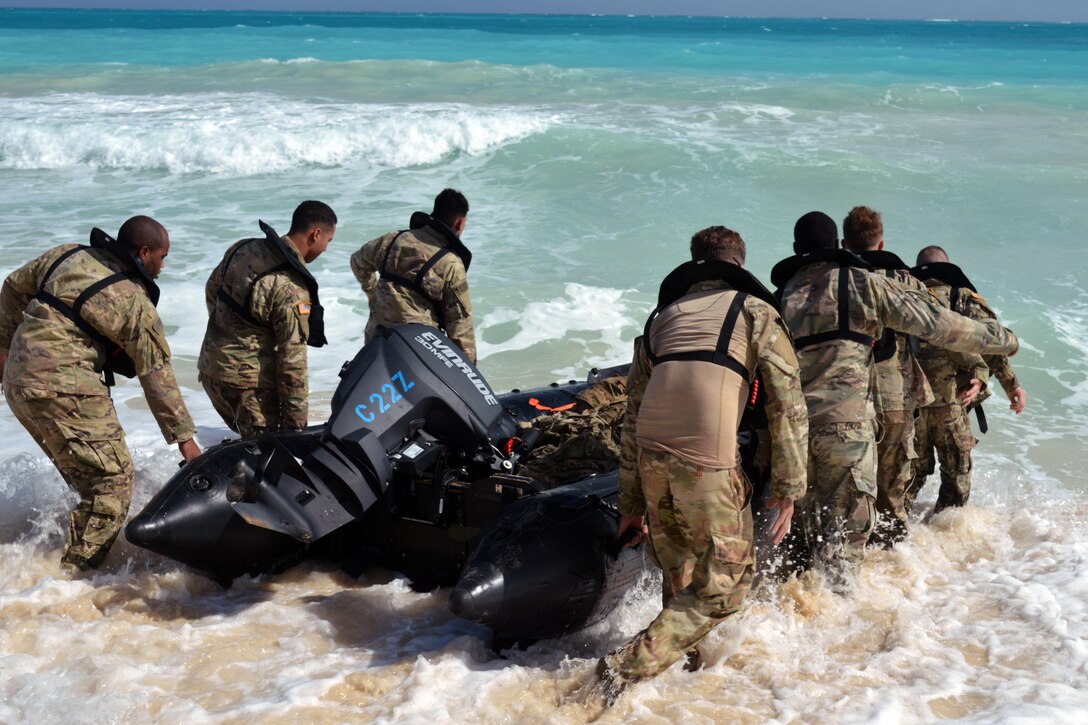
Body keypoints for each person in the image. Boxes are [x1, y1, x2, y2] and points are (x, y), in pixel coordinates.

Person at [596, 226, 808, 702]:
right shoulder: (756, 312)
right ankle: (620, 671)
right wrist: (790, 488)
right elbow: (788, 403)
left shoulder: (662, 318)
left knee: (682, 575)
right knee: (729, 585)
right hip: (705, 459)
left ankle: (683, 688)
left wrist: (629, 503)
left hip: (652, 455)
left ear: (695, 264)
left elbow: (631, 417)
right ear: (738, 264)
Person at [772, 212, 1018, 585]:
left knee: (797, 551)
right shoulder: (861, 283)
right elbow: (938, 325)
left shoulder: (778, 297)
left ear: (795, 250)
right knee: (846, 552)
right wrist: (1003, 340)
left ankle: (787, 628)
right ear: (838, 245)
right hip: (846, 430)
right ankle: (841, 624)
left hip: (791, 435)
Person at [0, 217, 201, 572]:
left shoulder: (65, 256)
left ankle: (41, 563)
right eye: (162, 256)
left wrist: (4, 350)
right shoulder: (135, 303)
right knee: (112, 484)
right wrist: (186, 442)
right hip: (66, 388)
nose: (163, 265)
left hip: (18, 382)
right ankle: (73, 579)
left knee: (89, 481)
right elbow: (156, 376)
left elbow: (12, 289)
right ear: (143, 253)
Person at [198, 201, 336, 437]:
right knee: (269, 458)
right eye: (328, 241)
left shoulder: (243, 248)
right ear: (316, 234)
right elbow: (292, 363)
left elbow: (212, 292)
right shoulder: (292, 288)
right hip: (247, 387)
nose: (325, 249)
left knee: (248, 449)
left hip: (211, 373)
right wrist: (295, 429)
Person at [907, 245, 1027, 513]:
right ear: (947, 269)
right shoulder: (960, 299)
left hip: (909, 407)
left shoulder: (904, 299)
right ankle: (944, 537)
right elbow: (989, 340)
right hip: (952, 402)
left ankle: (899, 538)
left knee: (908, 478)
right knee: (956, 477)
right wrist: (1011, 384)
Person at [840, 206, 934, 546]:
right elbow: (935, 328)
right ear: (881, 244)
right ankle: (895, 570)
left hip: (848, 400)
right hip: (897, 398)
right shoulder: (905, 281)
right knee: (892, 496)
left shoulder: (838, 281)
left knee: (850, 494)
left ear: (843, 243)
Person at [350, 189, 476, 363]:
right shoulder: (451, 263)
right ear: (459, 223)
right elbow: (460, 328)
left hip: (376, 340)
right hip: (417, 350)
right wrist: (470, 376)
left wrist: (371, 291)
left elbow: (357, 262)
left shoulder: (393, 239)